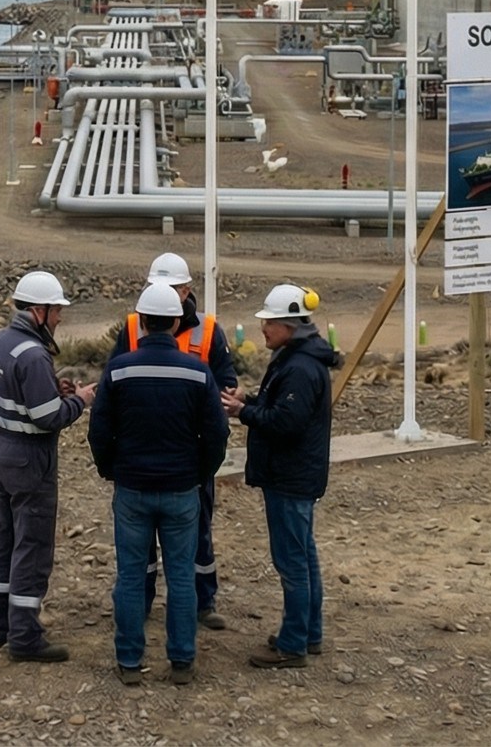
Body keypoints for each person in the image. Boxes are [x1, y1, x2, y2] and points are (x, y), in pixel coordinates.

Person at [88, 281, 228, 686]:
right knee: (182, 577)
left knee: (131, 577)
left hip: (132, 489)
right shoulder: (199, 373)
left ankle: (129, 662)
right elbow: (217, 435)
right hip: (183, 490)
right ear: (176, 321)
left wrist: (110, 469)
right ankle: (182, 660)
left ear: (143, 322)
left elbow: (99, 430)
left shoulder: (119, 370)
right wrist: (201, 472)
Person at [110, 251, 239, 630]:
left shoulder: (209, 331)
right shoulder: (133, 327)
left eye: (171, 289)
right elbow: (112, 385)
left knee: (197, 533)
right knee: (141, 543)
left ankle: (204, 600)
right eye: (157, 288)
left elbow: (226, 382)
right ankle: (144, 601)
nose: (165, 295)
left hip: (189, 455)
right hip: (144, 452)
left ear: (187, 290)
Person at [220, 283, 341, 668]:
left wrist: (244, 413)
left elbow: (286, 423)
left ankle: (293, 644)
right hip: (295, 475)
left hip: (289, 477)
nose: (263, 329)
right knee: (303, 556)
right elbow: (282, 411)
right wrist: (249, 403)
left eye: (269, 322)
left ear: (289, 324)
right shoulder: (298, 359)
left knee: (292, 561)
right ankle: (308, 633)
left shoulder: (300, 368)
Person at [0, 269, 96, 662]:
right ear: (39, 311)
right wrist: (79, 400)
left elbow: (13, 395)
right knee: (32, 546)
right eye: (57, 310)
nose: (60, 318)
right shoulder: (33, 354)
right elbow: (49, 417)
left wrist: (54, 390)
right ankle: (25, 638)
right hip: (30, 457)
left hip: (0, 448)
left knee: (6, 538)